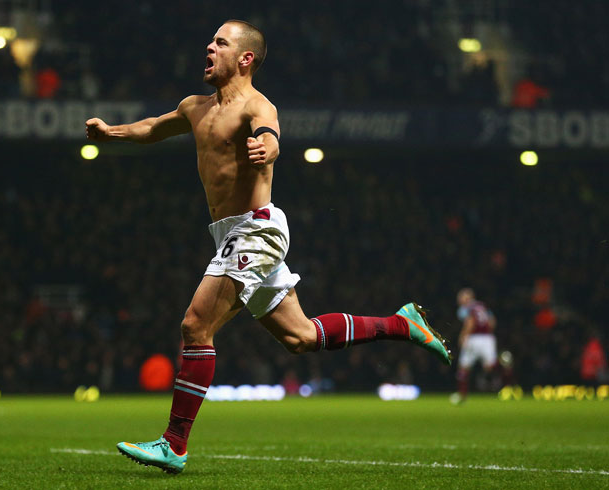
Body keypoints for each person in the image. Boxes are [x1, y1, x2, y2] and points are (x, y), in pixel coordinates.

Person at [85, 20, 451, 474]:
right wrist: (111, 133)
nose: (209, 46)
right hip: (231, 234)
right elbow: (155, 127)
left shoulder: (257, 106)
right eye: (211, 40)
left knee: (196, 326)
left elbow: (270, 131)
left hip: (256, 232)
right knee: (301, 337)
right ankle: (401, 324)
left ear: (245, 59)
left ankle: (174, 443)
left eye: (220, 42)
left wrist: (268, 147)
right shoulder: (195, 107)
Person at [451, 288, 496, 404]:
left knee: (463, 367)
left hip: (474, 338)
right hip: (488, 338)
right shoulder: (482, 306)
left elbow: (470, 322)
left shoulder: (467, 308)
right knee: (490, 366)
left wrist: (463, 335)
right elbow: (492, 321)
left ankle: (462, 395)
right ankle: (506, 388)